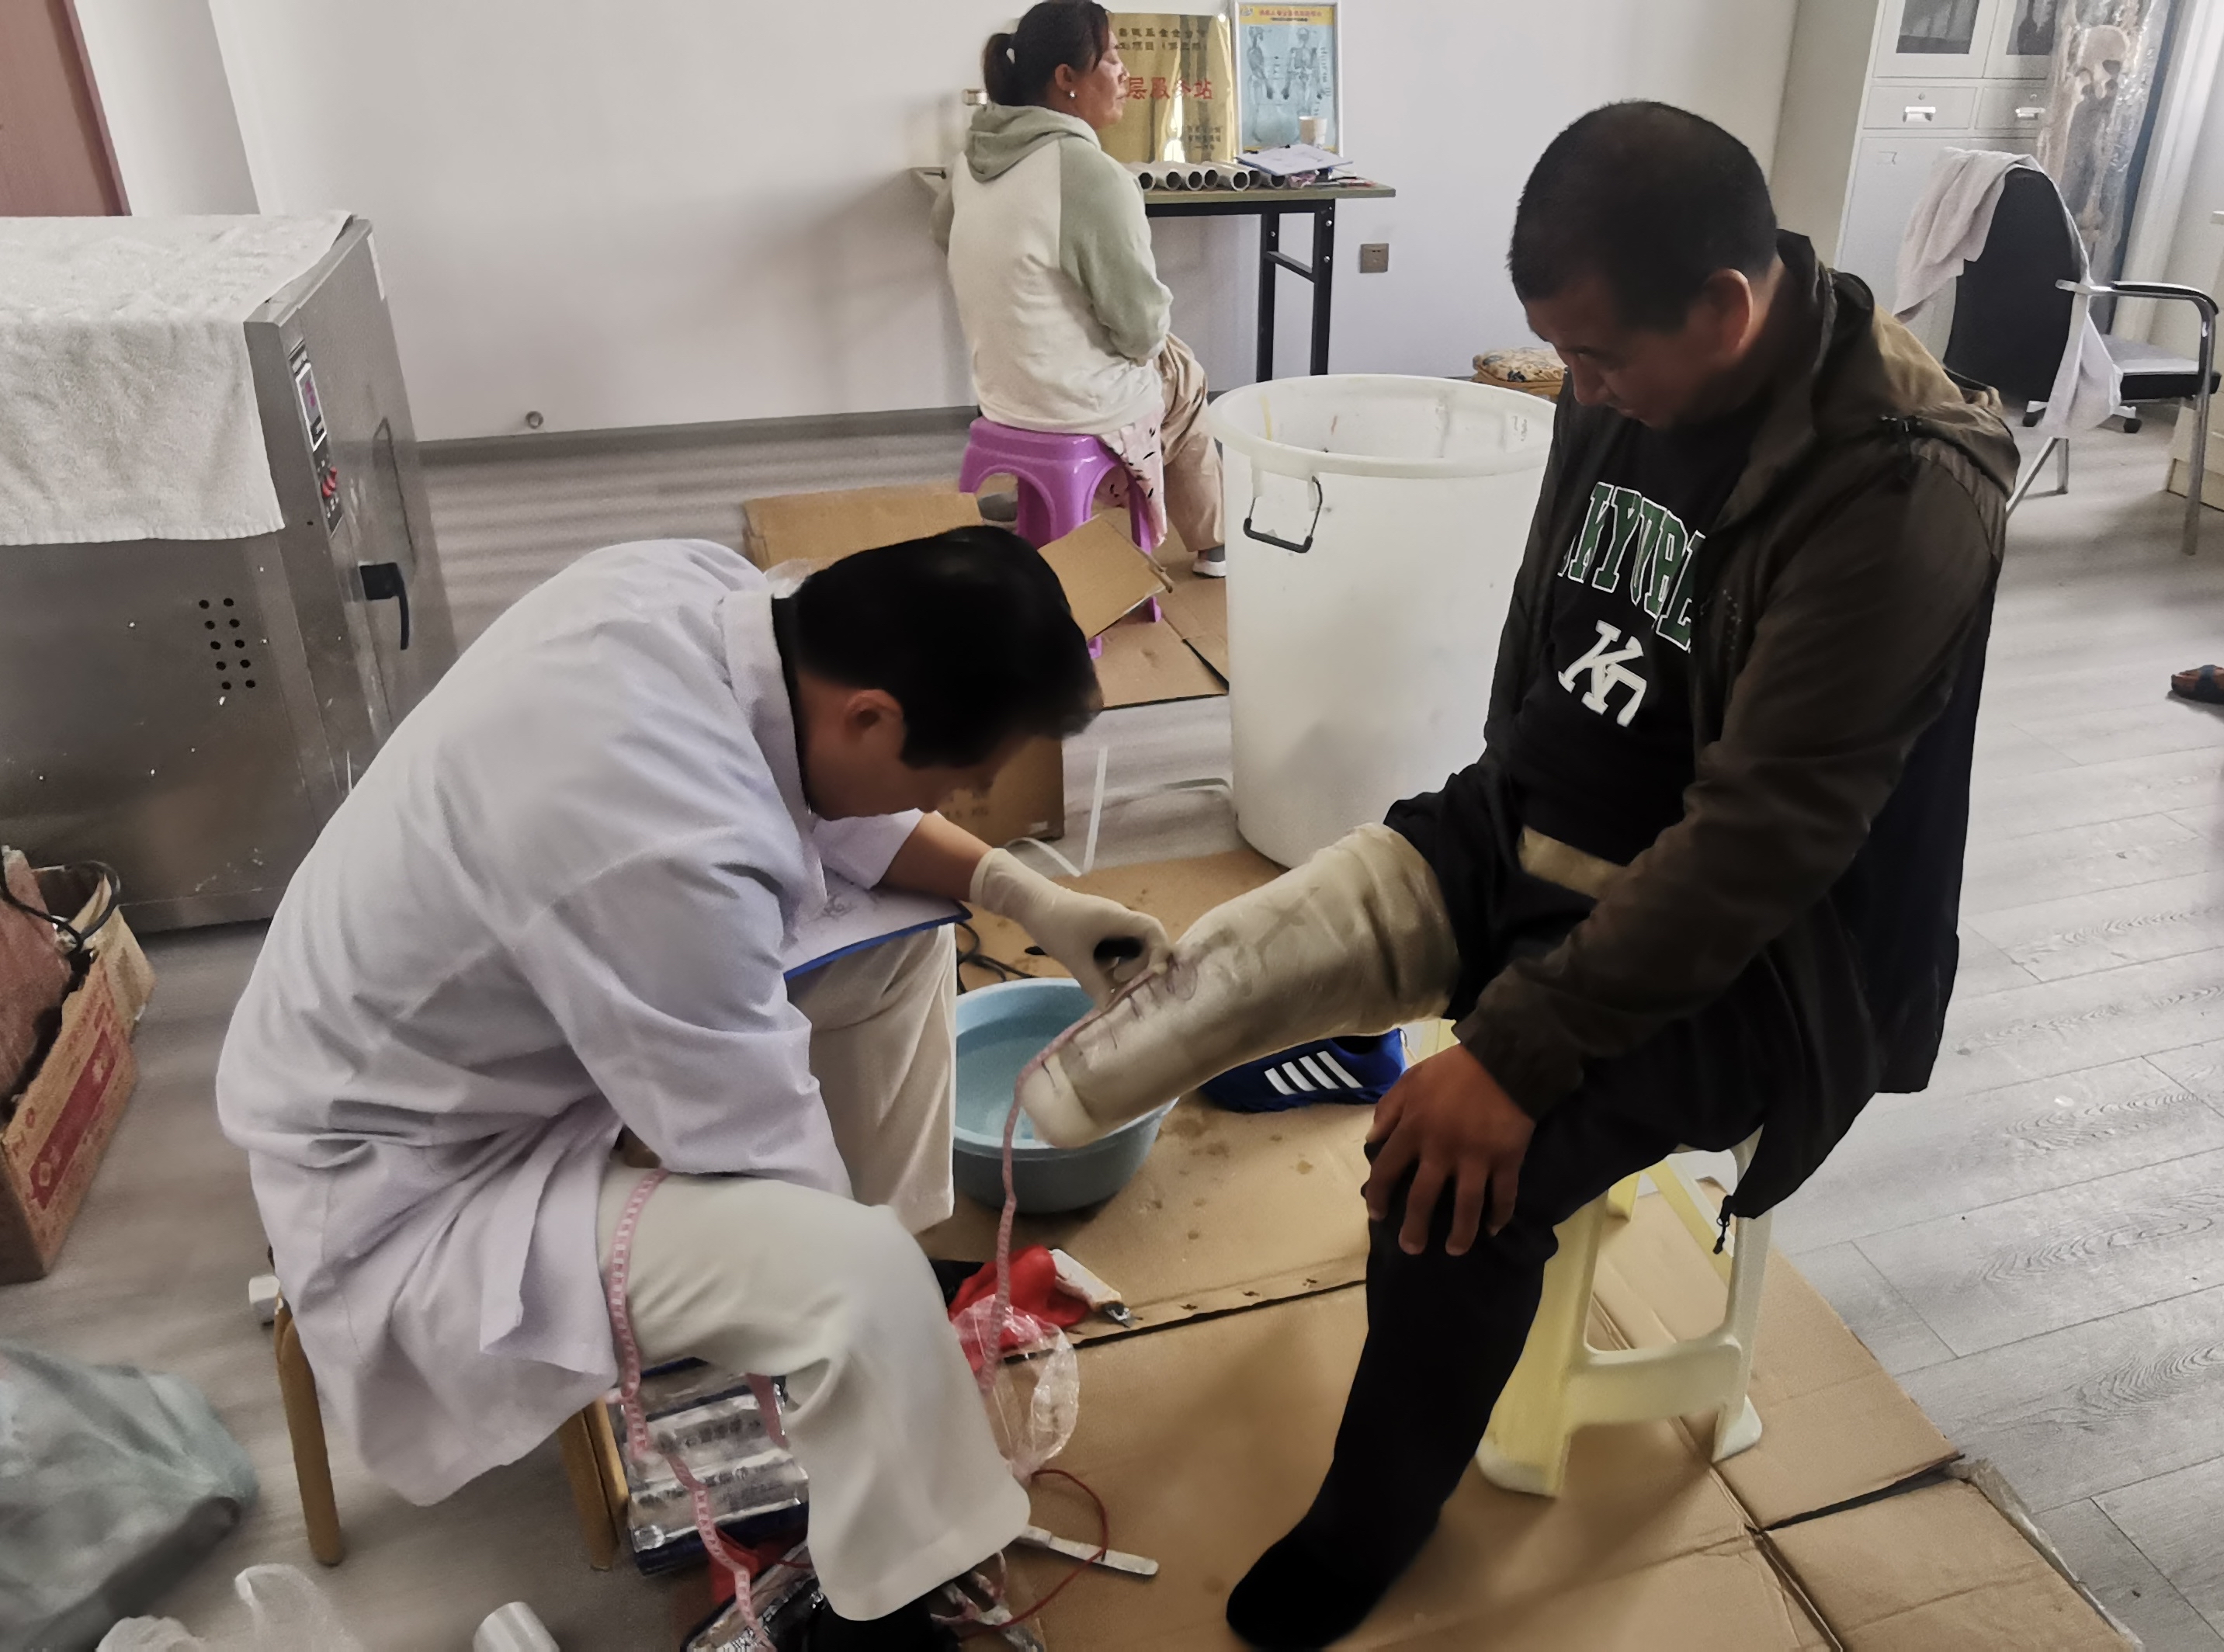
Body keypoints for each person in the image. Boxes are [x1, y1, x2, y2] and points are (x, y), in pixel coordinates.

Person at [1014, 102, 2018, 1647]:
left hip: (1754, 948)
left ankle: (1371, 1523)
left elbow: (1764, 839)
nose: (1578, 386)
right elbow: (1549, 643)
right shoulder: (1622, 373)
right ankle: (1117, 1073)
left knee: (1442, 1186)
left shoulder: (1896, 487)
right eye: (1562, 353)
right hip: (1538, 824)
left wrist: (1512, 1048)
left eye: (1597, 358)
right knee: (1205, 983)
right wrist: (1479, 821)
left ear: (1726, 309)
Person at [217, 529, 1170, 1650]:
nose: (959, 800)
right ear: (870, 716)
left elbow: (849, 820)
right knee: (850, 1283)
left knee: (902, 949)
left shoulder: (703, 592)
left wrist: (1023, 894)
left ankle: (887, 1288)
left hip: (462, 1028)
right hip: (408, 1175)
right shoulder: (659, 844)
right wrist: (856, 1302)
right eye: (955, 781)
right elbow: (761, 1158)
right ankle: (877, 1605)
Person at [934, 1, 1227, 578]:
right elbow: (1141, 329)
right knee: (1184, 373)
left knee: (1128, 349)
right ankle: (1210, 542)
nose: (1123, 73)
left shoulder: (970, 162)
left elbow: (944, 233)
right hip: (1073, 406)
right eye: (1111, 58)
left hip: (1000, 395)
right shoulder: (1088, 174)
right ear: (1066, 78)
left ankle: (1042, 492)